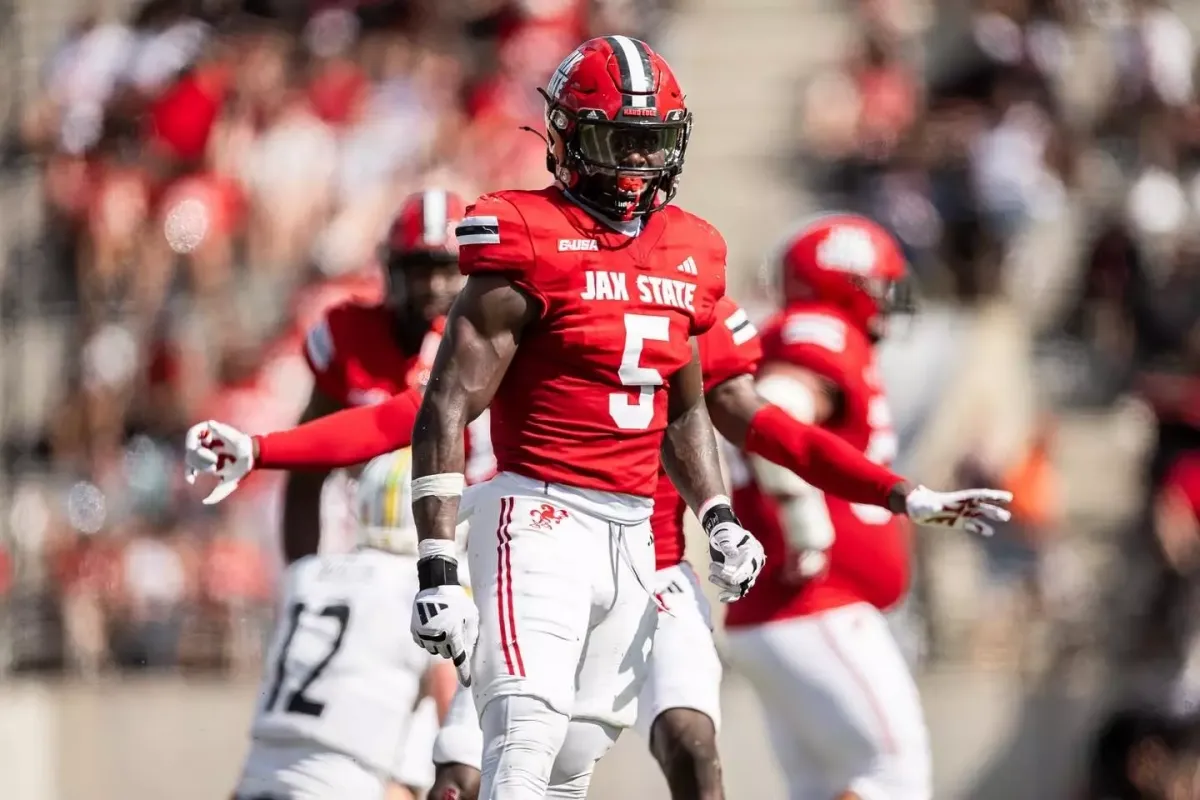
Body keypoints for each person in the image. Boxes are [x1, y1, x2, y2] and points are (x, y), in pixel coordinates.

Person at [185, 38, 1006, 800]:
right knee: (510, 742)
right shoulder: (525, 242)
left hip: (645, 542)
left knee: (581, 756)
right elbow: (419, 411)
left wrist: (742, 512)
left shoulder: (689, 255)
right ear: (572, 139)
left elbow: (715, 412)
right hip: (533, 514)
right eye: (624, 139)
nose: (644, 161)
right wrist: (397, 532)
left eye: (656, 139)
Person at [425, 297, 1012, 800]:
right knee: (472, 770)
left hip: (654, 569)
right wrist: (437, 559)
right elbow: (437, 409)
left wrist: (897, 493)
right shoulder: (541, 277)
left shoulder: (687, 289)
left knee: (692, 741)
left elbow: (778, 430)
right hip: (544, 559)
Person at [723, 214, 943, 800]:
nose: (889, 302)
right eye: (880, 285)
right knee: (894, 777)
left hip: (785, 613)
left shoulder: (804, 330)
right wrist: (805, 527)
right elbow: (775, 411)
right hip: (814, 605)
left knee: (832, 788)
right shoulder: (819, 327)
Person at [232, 448, 460, 800]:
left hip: (257, 776)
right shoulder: (419, 590)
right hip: (341, 782)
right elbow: (453, 711)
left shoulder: (305, 576)